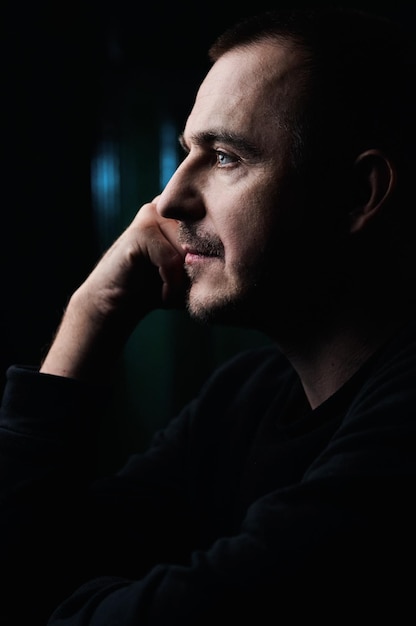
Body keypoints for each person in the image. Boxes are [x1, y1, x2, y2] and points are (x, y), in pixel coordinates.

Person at [1, 5, 416, 625]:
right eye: (188, 150)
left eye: (225, 156)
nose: (169, 198)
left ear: (359, 194)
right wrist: (94, 311)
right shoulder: (242, 399)